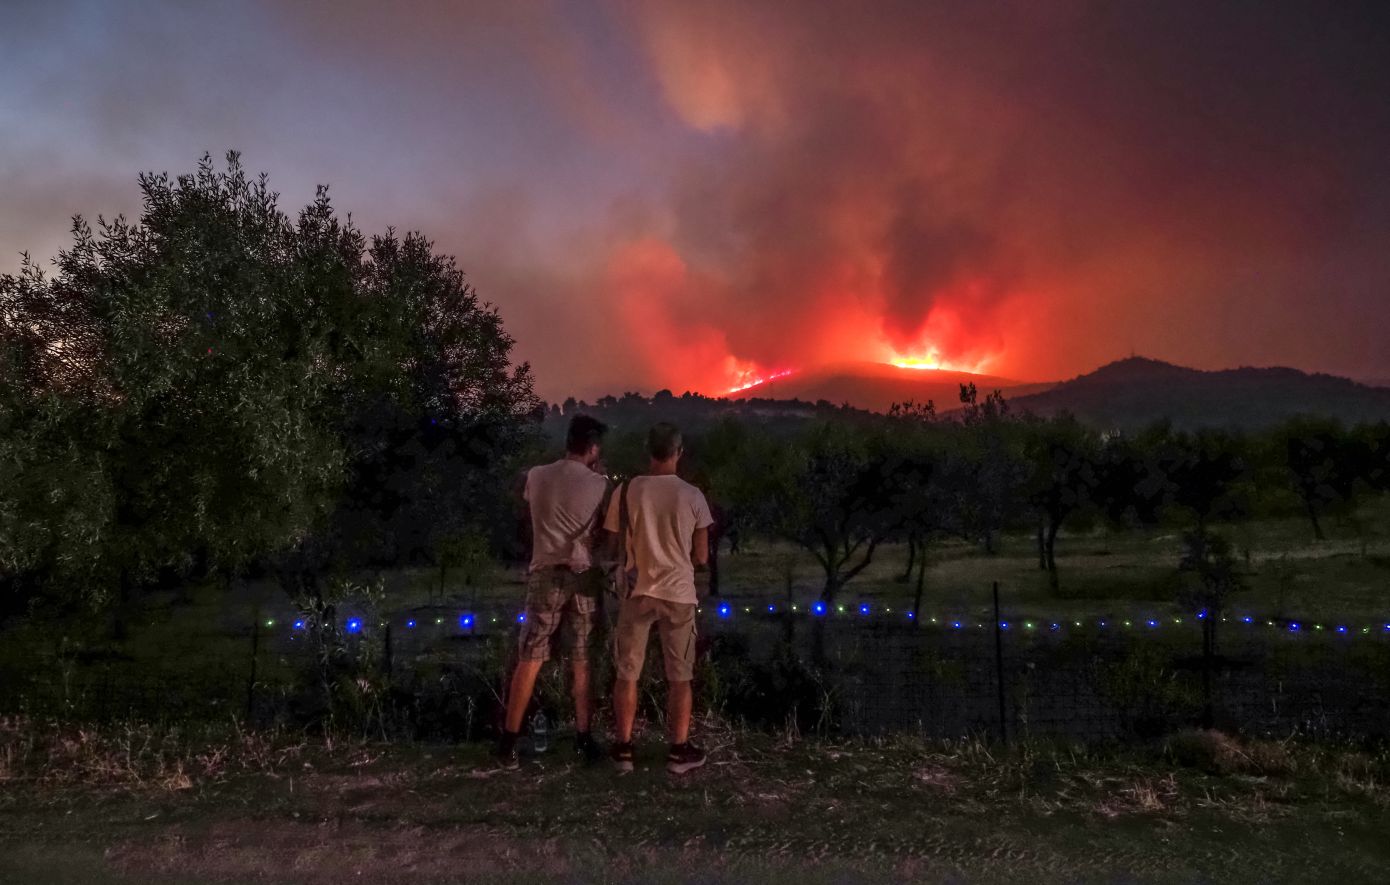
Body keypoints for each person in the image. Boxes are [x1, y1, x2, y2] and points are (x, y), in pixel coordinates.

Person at [498, 414, 610, 770]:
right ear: (593, 448)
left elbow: (528, 506)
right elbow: (601, 533)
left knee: (530, 654)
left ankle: (508, 739)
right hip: (583, 576)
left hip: (545, 572)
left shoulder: (537, 475)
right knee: (581, 658)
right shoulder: (600, 483)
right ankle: (583, 735)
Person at [604, 422, 713, 774]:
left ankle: (623, 750)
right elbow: (701, 557)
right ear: (679, 452)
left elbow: (612, 541)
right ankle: (678, 751)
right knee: (680, 676)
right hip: (679, 594)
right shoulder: (693, 496)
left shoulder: (626, 492)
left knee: (627, 673)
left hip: (637, 592)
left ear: (648, 451)